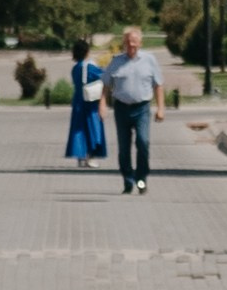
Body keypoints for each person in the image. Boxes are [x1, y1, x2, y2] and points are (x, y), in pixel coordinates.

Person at [105, 25, 161, 196]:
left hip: (142, 108)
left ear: (140, 43)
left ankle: (141, 180)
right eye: (128, 42)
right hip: (121, 108)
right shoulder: (116, 61)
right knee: (124, 148)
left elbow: (158, 85)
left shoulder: (149, 60)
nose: (131, 45)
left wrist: (161, 108)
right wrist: (101, 105)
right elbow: (106, 84)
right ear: (124, 43)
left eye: (134, 42)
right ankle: (128, 181)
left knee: (143, 142)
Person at [63, 37, 107, 166]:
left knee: (79, 129)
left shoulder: (75, 68)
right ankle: (90, 156)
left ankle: (80, 156)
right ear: (87, 51)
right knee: (92, 128)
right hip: (90, 103)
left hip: (78, 101)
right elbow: (104, 76)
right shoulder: (89, 67)